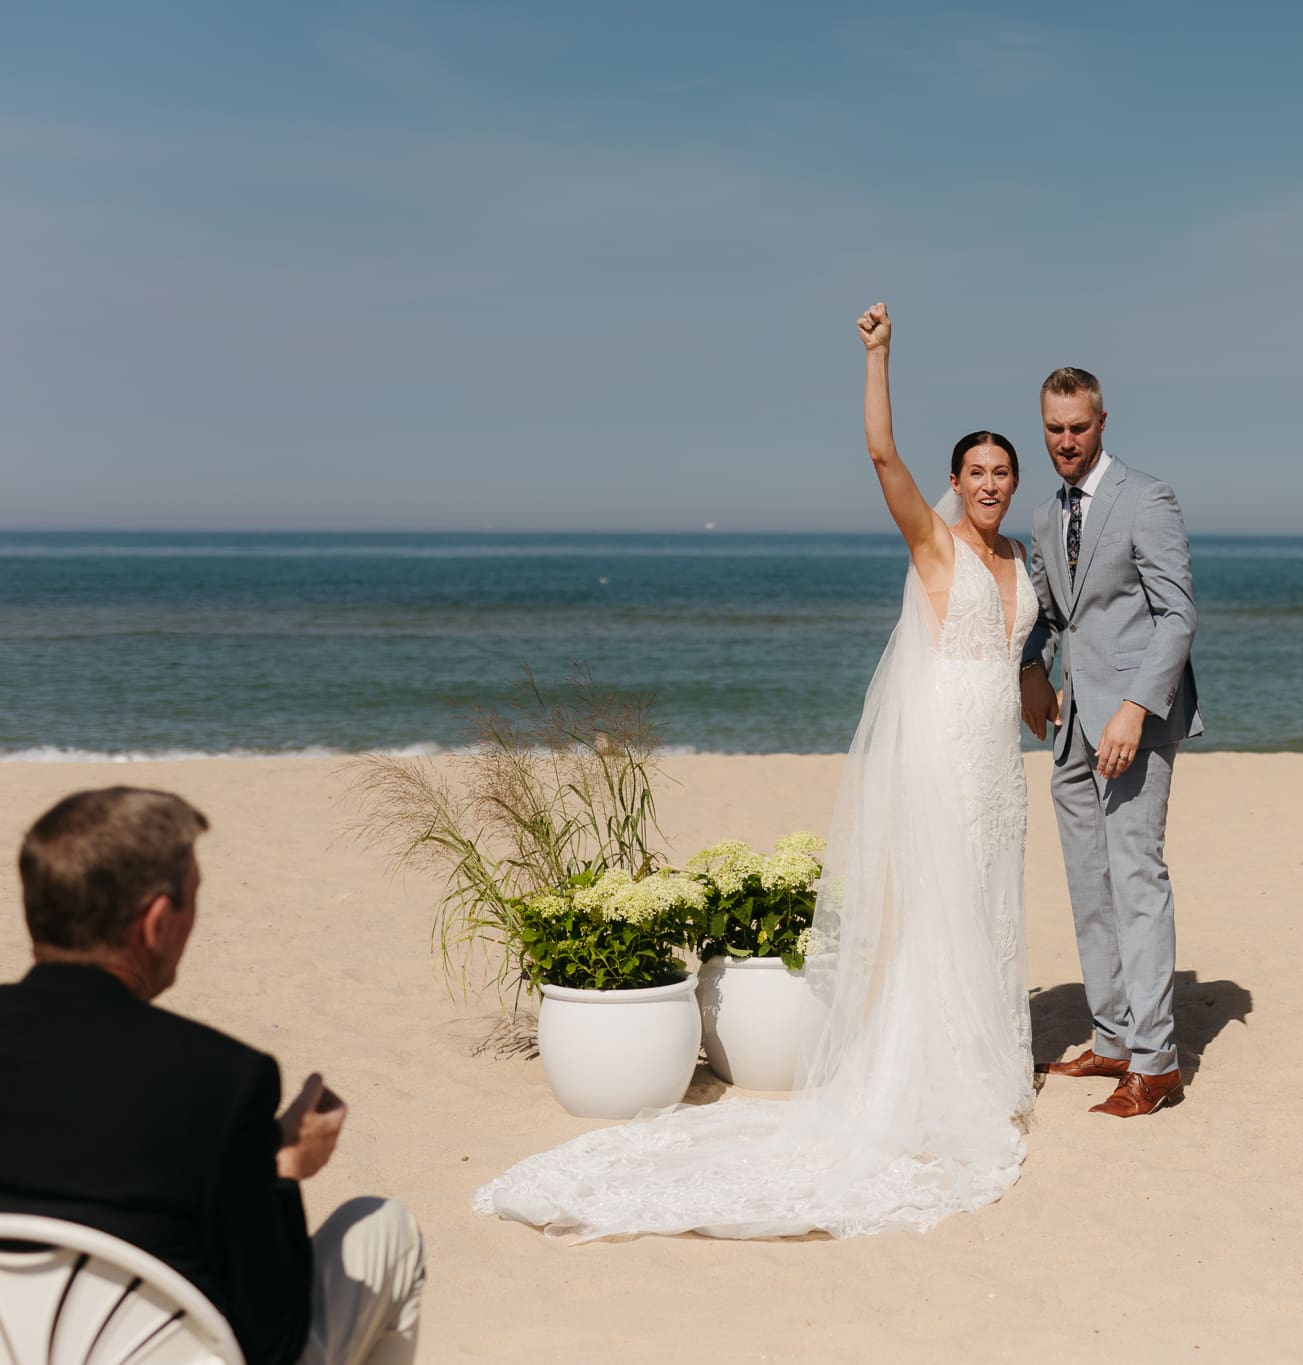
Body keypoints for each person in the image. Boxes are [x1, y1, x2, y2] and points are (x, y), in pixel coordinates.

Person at [474, 301, 1037, 1239]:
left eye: (1001, 472)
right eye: (975, 471)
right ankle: (930, 1079)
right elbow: (880, 458)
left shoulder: (1019, 557)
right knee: (940, 907)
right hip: (943, 752)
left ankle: (983, 1067)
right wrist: (879, 356)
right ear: (954, 480)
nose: (988, 484)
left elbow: (1022, 659)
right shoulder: (935, 544)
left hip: (997, 758)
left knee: (988, 901)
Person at [0, 787, 427, 1365]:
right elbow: (274, 1340)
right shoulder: (220, 1079)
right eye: (193, 900)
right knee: (386, 1230)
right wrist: (282, 1168)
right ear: (154, 923)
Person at [1020, 365, 1201, 1117]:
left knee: (1134, 880)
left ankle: (1157, 1064)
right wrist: (1031, 665)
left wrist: (1133, 709)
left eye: (1079, 427)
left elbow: (1178, 615)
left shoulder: (1146, 498)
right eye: (1055, 429)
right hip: (1070, 729)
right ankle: (1113, 1035)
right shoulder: (1043, 514)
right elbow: (1046, 607)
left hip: (1135, 723)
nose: (1067, 441)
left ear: (1102, 422)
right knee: (1089, 886)